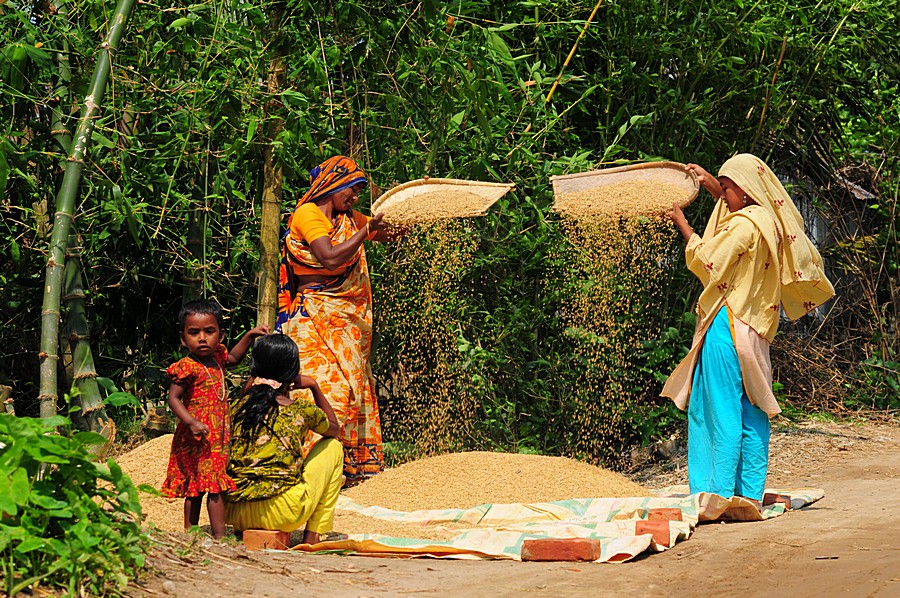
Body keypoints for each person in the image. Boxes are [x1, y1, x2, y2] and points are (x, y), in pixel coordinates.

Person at [663, 154, 835, 507]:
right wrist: (713, 185)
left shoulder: (742, 226)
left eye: (727, 189)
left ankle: (717, 494)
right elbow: (735, 212)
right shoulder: (768, 220)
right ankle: (749, 494)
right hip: (755, 330)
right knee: (752, 408)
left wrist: (683, 224)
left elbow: (708, 261)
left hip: (727, 325)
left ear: (744, 189)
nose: (724, 197)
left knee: (716, 409)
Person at [276, 155, 398, 486]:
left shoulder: (348, 219)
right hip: (312, 317)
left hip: (345, 323)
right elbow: (329, 257)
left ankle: (339, 472)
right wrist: (366, 231)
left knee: (352, 388)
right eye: (352, 190)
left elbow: (387, 233)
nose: (355, 197)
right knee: (328, 390)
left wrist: (411, 212)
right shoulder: (308, 214)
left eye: (358, 192)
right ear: (333, 184)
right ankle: (302, 468)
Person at [161, 299, 268, 538]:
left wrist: (249, 335)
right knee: (197, 487)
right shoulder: (187, 367)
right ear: (183, 339)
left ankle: (218, 538)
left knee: (214, 484)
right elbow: (174, 399)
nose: (202, 338)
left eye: (209, 331)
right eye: (194, 333)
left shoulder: (218, 358)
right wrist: (191, 423)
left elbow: (234, 358)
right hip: (195, 437)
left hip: (216, 437)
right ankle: (194, 534)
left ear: (220, 335)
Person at [224, 333, 343, 545]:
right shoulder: (302, 410)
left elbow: (247, 395)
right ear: (293, 373)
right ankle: (313, 535)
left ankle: (243, 532)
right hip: (282, 512)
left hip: (234, 512)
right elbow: (334, 430)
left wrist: (253, 380)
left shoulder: (236, 408)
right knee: (333, 447)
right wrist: (314, 386)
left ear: (253, 370)